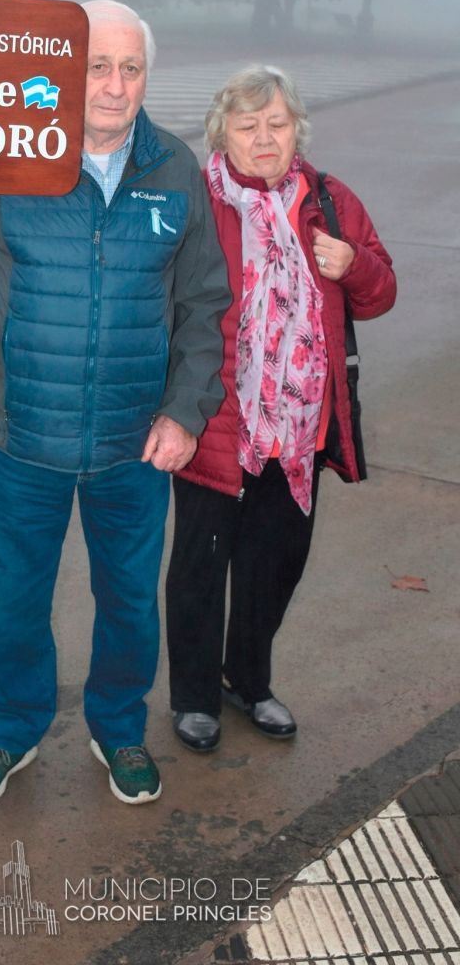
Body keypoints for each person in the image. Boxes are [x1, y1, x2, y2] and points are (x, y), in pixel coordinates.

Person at [0, 0, 229, 805]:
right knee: (13, 601)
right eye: (97, 66)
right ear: (65, 72)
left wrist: (185, 411)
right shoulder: (9, 156)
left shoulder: (174, 169)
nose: (115, 86)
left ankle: (118, 727)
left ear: (146, 76)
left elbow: (203, 304)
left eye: (131, 68)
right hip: (23, 437)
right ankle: (11, 730)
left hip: (134, 443)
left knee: (129, 602)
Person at [166, 64, 396, 753]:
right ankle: (194, 698)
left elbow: (380, 292)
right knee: (201, 567)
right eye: (248, 125)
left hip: (298, 431)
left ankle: (247, 680)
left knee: (275, 566)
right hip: (217, 421)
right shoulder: (194, 200)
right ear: (222, 134)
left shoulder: (329, 199)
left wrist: (352, 264)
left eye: (277, 123)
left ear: (297, 128)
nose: (264, 138)